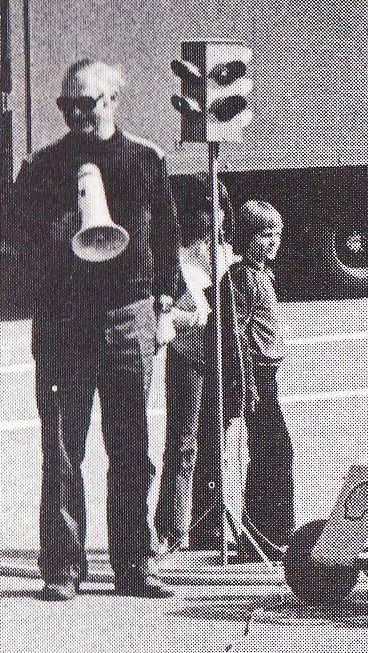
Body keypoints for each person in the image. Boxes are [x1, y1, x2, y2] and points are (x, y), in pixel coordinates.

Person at [2, 58, 182, 601]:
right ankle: (62, 570)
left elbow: (167, 238)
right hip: (64, 323)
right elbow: (11, 239)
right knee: (62, 450)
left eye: (86, 104)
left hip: (129, 318)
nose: (75, 115)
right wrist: (50, 251)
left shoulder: (146, 161)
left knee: (130, 449)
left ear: (112, 101)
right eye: (67, 106)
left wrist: (165, 306)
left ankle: (134, 569)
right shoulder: (41, 168)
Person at [154, 184, 230, 553]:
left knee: (215, 440)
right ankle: (172, 525)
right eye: (205, 211)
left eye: (215, 210)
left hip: (219, 358)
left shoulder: (224, 256)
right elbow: (164, 314)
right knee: (183, 442)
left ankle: (207, 522)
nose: (213, 217)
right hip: (188, 358)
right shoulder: (179, 260)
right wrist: (194, 315)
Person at [219, 200, 295, 557]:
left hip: (268, 374)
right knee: (274, 450)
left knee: (271, 451)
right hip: (256, 376)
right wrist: (246, 383)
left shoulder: (262, 274)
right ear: (247, 238)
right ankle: (267, 534)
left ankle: (269, 531)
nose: (273, 243)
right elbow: (238, 334)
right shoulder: (241, 278)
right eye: (265, 236)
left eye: (277, 235)